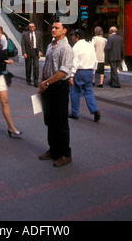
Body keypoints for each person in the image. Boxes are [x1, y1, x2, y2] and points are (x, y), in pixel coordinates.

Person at [38, 20, 73, 168]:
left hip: (59, 87)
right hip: (48, 86)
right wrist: (42, 83)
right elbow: (46, 66)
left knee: (60, 122)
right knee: (50, 121)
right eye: (52, 27)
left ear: (64, 30)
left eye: (57, 28)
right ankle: (53, 150)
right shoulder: (50, 45)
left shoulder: (66, 48)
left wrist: (47, 82)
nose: (53, 29)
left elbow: (63, 71)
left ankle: (65, 154)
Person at [69, 29, 101, 122]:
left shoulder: (76, 47)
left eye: (73, 35)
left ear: (77, 36)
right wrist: (94, 72)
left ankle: (75, 113)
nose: (72, 37)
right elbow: (95, 60)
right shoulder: (90, 45)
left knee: (75, 92)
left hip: (79, 72)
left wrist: (71, 75)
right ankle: (95, 110)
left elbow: (75, 62)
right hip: (89, 71)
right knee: (89, 91)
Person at [21, 22, 43, 87]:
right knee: (28, 66)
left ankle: (36, 81)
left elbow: (40, 43)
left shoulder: (38, 34)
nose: (31, 28)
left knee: (36, 66)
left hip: (35, 52)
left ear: (35, 27)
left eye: (33, 27)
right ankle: (28, 80)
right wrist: (24, 52)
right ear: (28, 28)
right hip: (28, 52)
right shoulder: (25, 34)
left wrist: (41, 51)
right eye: (30, 27)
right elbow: (23, 44)